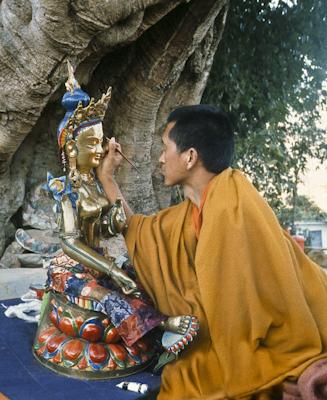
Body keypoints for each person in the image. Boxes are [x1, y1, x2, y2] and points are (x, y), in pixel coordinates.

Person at [97, 104, 327, 399]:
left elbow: (243, 317)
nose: (160, 158)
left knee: (196, 378)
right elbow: (140, 233)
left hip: (290, 334)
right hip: (236, 338)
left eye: (165, 148)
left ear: (190, 156)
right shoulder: (189, 212)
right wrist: (107, 178)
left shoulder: (232, 203)